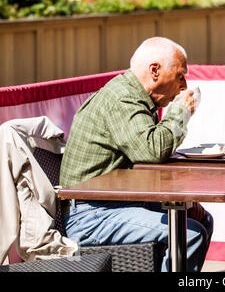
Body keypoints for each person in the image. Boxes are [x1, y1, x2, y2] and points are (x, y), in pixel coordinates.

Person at [59, 37, 213, 272]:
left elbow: (147, 160)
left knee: (202, 220)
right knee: (189, 234)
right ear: (154, 70)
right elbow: (152, 150)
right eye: (180, 75)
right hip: (91, 216)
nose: (184, 85)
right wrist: (180, 112)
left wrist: (185, 201)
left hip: (114, 204)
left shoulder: (134, 96)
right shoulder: (123, 98)